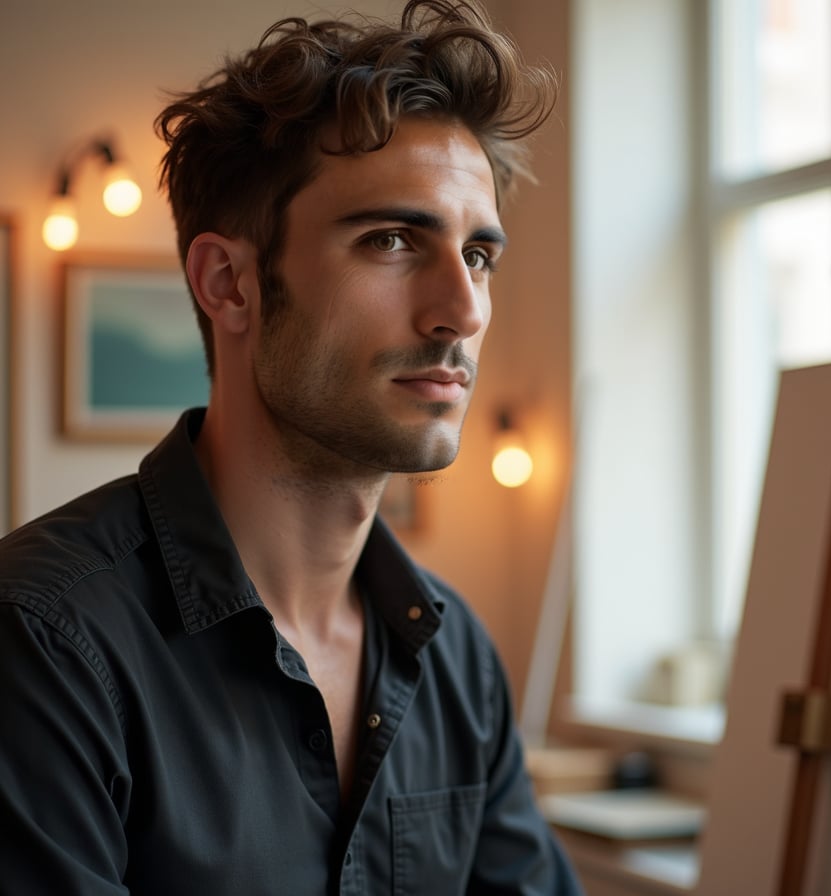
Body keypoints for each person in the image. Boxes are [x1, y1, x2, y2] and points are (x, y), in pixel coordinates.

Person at [0, 1, 584, 893]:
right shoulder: (43, 640)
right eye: (391, 241)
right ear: (228, 283)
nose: (462, 312)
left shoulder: (455, 656)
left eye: (478, 256)